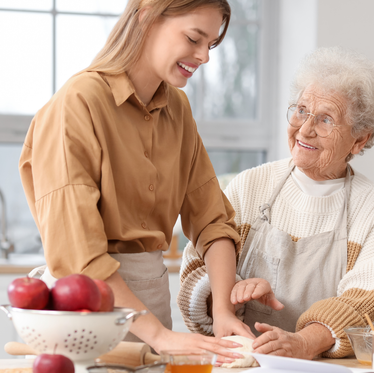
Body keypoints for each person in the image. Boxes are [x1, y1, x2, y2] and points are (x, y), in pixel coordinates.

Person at [19, 0, 254, 362]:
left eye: (211, 44)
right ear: (146, 16)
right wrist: (159, 335)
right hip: (86, 312)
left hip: (152, 314)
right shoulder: (76, 104)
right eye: (194, 38)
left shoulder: (178, 110)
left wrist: (222, 311)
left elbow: (213, 222)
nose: (204, 56)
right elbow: (80, 256)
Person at [178, 47, 374, 359]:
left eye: (325, 119)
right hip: (240, 363)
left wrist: (304, 343)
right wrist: (232, 290)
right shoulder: (249, 185)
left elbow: (364, 301)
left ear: (360, 139)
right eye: (301, 110)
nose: (305, 129)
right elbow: (193, 269)